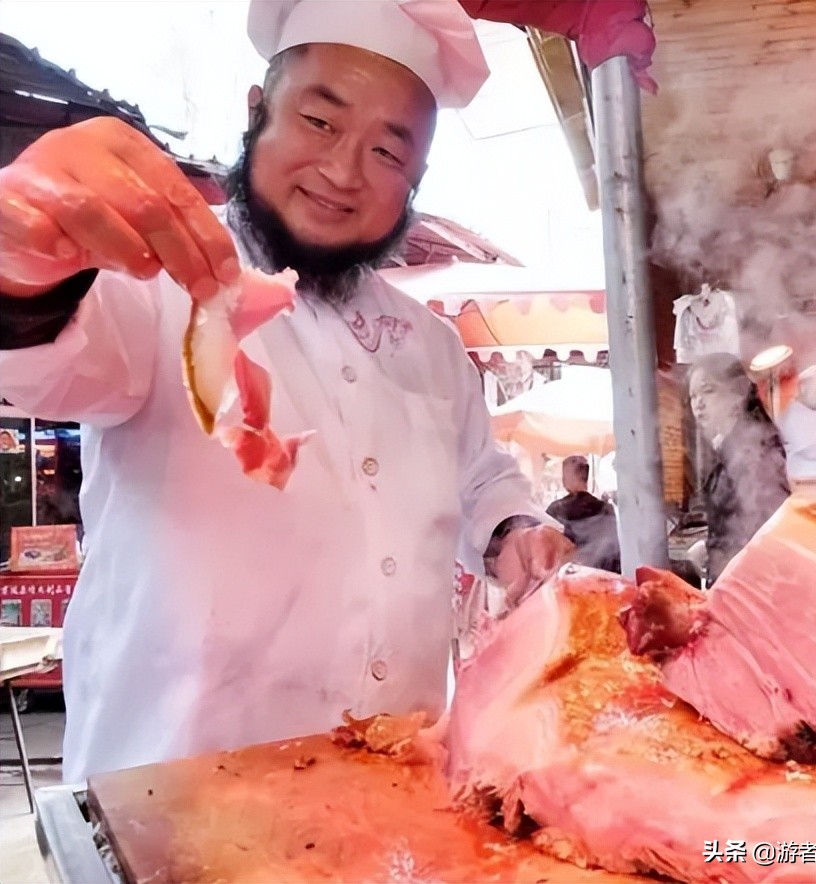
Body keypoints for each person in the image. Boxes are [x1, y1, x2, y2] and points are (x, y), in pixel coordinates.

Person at [0, 0, 573, 782]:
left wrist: (513, 530)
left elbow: (482, 479)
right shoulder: (155, 277)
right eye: (320, 122)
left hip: (397, 796)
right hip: (172, 796)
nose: (342, 172)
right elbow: (46, 357)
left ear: (415, 178)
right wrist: (24, 265)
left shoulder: (435, 346)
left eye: (387, 151)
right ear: (257, 110)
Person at [688, 352, 790, 582]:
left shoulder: (752, 449)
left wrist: (719, 553)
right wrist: (709, 548)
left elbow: (761, 527)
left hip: (752, 586)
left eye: (708, 390)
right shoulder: (731, 447)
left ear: (739, 392)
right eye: (693, 396)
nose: (698, 404)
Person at [546, 455, 621, 573]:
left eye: (564, 475)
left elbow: (549, 555)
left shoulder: (556, 510)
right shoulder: (607, 509)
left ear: (567, 478)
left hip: (570, 579)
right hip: (606, 577)